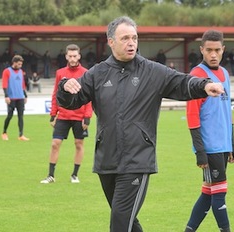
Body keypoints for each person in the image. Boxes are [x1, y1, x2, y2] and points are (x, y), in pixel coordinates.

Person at [56, 16, 224, 232]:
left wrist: (204, 85)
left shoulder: (152, 71)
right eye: (125, 38)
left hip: (138, 160)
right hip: (106, 161)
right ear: (111, 42)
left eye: (134, 37)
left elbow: (181, 82)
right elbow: (72, 101)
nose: (131, 42)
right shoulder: (97, 74)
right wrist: (64, 87)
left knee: (119, 223)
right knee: (128, 222)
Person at [184, 30, 234, 232]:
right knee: (219, 194)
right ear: (202, 50)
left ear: (223, 50)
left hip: (223, 145)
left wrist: (231, 143)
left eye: (217, 50)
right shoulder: (196, 76)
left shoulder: (224, 74)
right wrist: (200, 151)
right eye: (209, 50)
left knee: (208, 193)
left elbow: (227, 110)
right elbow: (192, 115)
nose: (213, 54)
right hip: (209, 146)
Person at [40, 44, 93, 184]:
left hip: (79, 116)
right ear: (66, 56)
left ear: (79, 56)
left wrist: (87, 117)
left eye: (75, 56)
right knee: (55, 144)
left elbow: (89, 97)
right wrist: (53, 114)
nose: (72, 58)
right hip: (63, 115)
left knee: (79, 144)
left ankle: (75, 175)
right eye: (70, 56)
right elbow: (56, 94)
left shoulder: (86, 73)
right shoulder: (60, 73)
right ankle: (51, 175)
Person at [1, 55, 29, 141]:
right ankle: (4, 133)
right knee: (9, 116)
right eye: (19, 64)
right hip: (11, 98)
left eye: (21, 64)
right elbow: (4, 84)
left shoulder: (21, 71)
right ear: (14, 63)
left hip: (20, 97)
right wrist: (6, 96)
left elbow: (22, 84)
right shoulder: (7, 71)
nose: (20, 66)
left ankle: (21, 135)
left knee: (21, 116)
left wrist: (25, 95)